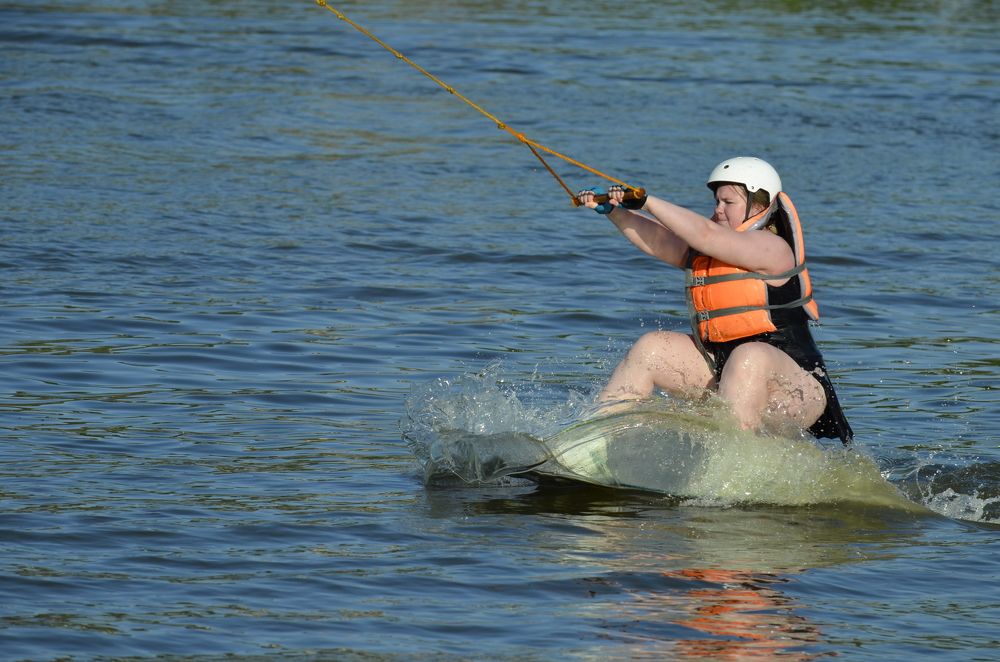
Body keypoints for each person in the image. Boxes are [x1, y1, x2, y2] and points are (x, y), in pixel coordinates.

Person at [578, 156, 853, 443]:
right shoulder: (708, 251)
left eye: (728, 202)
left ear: (760, 204)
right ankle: (599, 438)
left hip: (796, 390)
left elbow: (706, 235)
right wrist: (615, 212)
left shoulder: (772, 248)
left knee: (750, 356)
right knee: (652, 348)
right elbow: (660, 242)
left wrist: (647, 202)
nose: (718, 210)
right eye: (716, 201)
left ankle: (728, 462)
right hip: (725, 371)